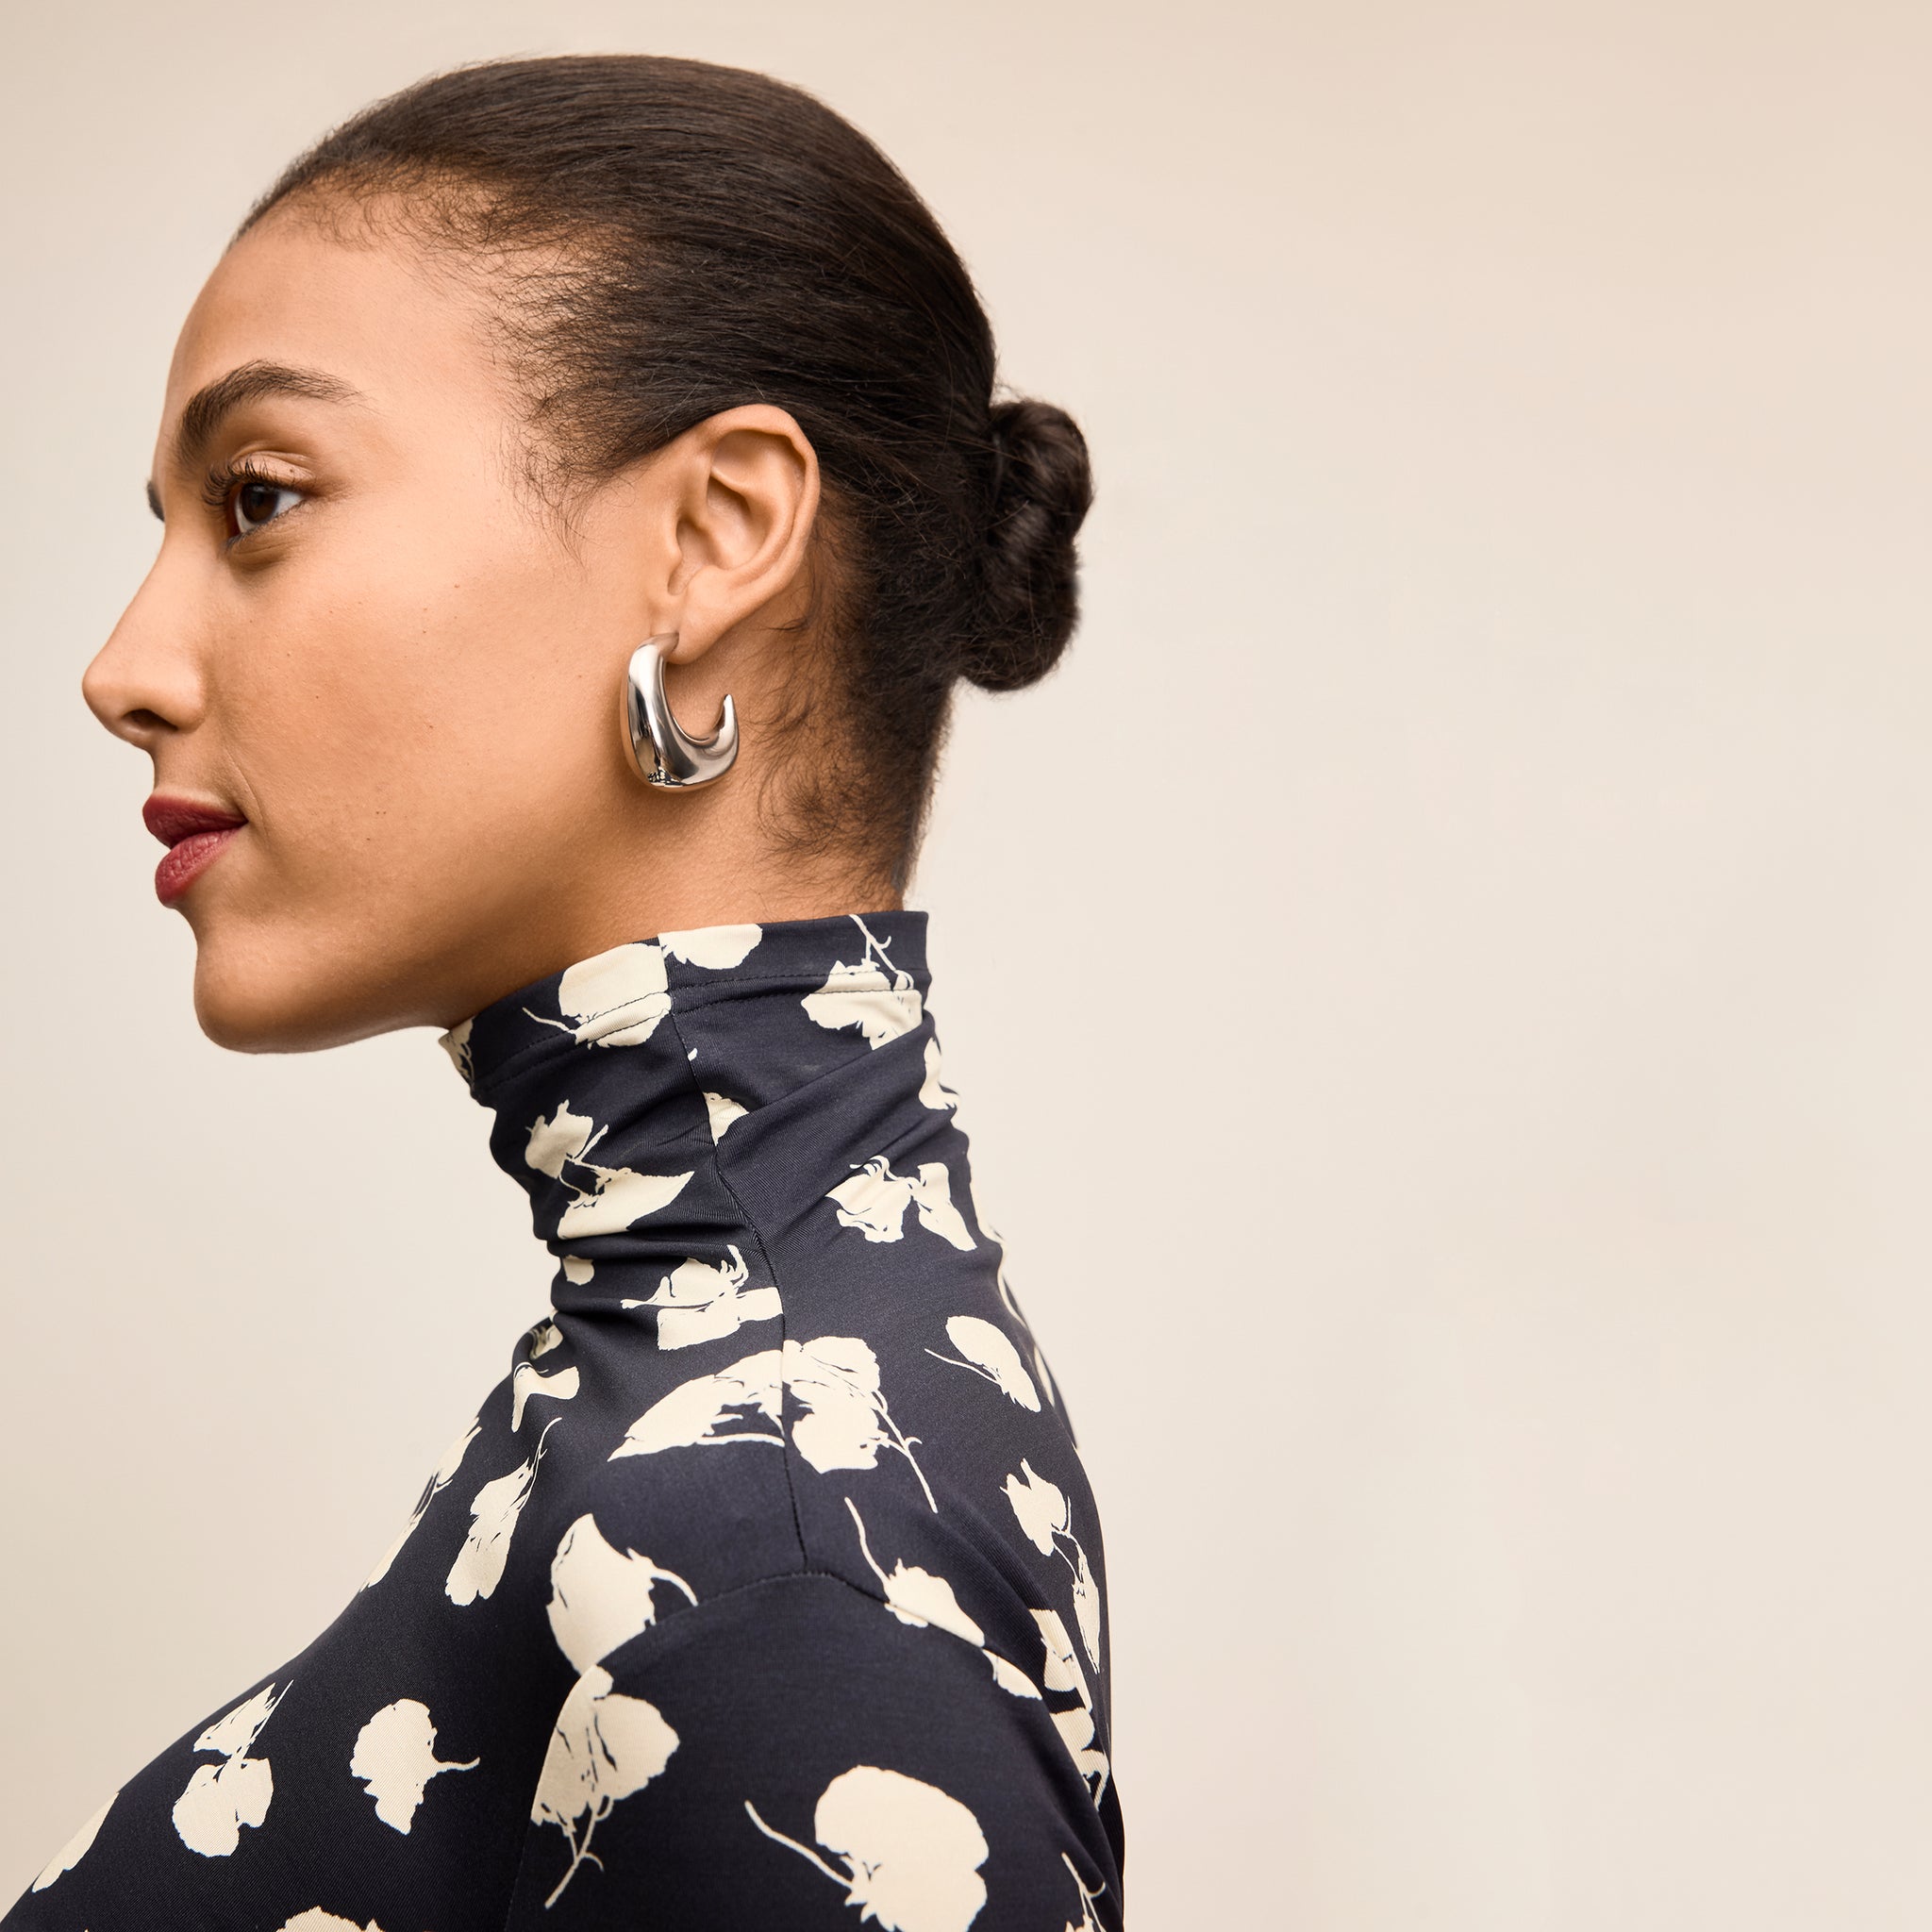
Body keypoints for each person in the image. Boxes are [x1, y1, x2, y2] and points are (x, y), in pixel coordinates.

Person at [5, 54, 1118, 1932]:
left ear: (708, 539)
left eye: (261, 499)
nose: (125, 664)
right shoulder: (710, 1390)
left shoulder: (764, 1531)